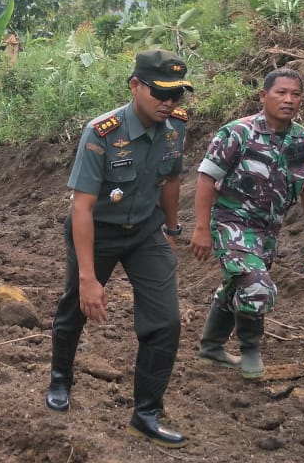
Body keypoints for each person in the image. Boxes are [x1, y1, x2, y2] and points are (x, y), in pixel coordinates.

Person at [44, 49, 193, 449]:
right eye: (161, 93)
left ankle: (146, 413)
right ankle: (61, 378)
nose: (169, 102)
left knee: (166, 321)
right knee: (76, 306)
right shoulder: (103, 132)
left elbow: (172, 180)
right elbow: (82, 207)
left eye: (176, 94)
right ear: (135, 86)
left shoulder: (176, 127)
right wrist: (89, 278)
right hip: (99, 230)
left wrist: (173, 229)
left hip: (146, 230)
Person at [189, 67, 304, 380]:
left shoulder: (302, 139)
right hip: (231, 223)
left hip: (268, 230)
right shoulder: (237, 132)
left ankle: (211, 347)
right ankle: (250, 350)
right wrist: (201, 228)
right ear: (264, 96)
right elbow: (207, 177)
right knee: (257, 288)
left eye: (295, 94)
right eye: (281, 93)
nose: (288, 100)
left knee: (236, 284)